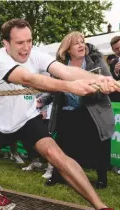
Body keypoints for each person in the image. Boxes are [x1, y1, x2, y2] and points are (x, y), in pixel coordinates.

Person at [0, 19, 120, 210]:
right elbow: (28, 79)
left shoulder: (36, 53)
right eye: (19, 43)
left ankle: (101, 209)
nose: (26, 48)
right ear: (6, 43)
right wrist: (70, 87)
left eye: (29, 41)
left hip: (27, 120)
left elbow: (65, 71)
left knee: (57, 156)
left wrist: (97, 80)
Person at [44, 32, 114, 189]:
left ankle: (102, 178)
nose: (82, 45)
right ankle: (58, 175)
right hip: (67, 111)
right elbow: (52, 88)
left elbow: (109, 82)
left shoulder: (95, 61)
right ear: (68, 49)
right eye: (76, 43)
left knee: (99, 145)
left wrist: (101, 88)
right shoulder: (60, 67)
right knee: (61, 145)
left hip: (92, 111)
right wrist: (41, 101)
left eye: (82, 42)